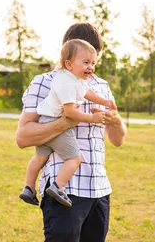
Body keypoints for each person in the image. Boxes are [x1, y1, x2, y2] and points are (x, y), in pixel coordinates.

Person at [16, 22, 127, 242]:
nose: (90, 66)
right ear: (68, 54)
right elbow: (23, 137)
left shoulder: (102, 86)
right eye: (85, 59)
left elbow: (117, 140)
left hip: (99, 191)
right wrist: (70, 120)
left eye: (94, 59)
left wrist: (115, 120)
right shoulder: (44, 82)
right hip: (65, 191)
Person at [19, 39, 117, 208]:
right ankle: (58, 186)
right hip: (55, 123)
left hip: (45, 121)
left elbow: (87, 93)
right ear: (69, 64)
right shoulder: (66, 84)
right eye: (86, 62)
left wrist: (105, 101)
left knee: (40, 157)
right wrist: (91, 118)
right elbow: (70, 113)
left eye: (93, 63)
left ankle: (28, 187)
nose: (91, 67)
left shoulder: (73, 79)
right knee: (74, 158)